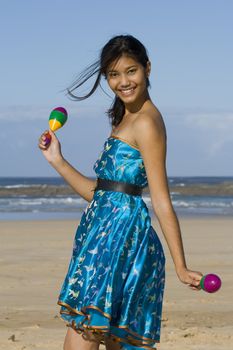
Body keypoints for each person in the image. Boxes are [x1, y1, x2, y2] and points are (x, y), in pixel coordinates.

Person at [38, 35, 203, 350]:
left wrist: (181, 265)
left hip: (122, 243)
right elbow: (104, 195)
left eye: (131, 71)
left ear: (147, 69)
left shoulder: (146, 123)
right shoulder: (125, 116)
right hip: (102, 240)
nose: (123, 81)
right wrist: (57, 160)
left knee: (81, 340)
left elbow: (161, 201)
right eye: (114, 74)